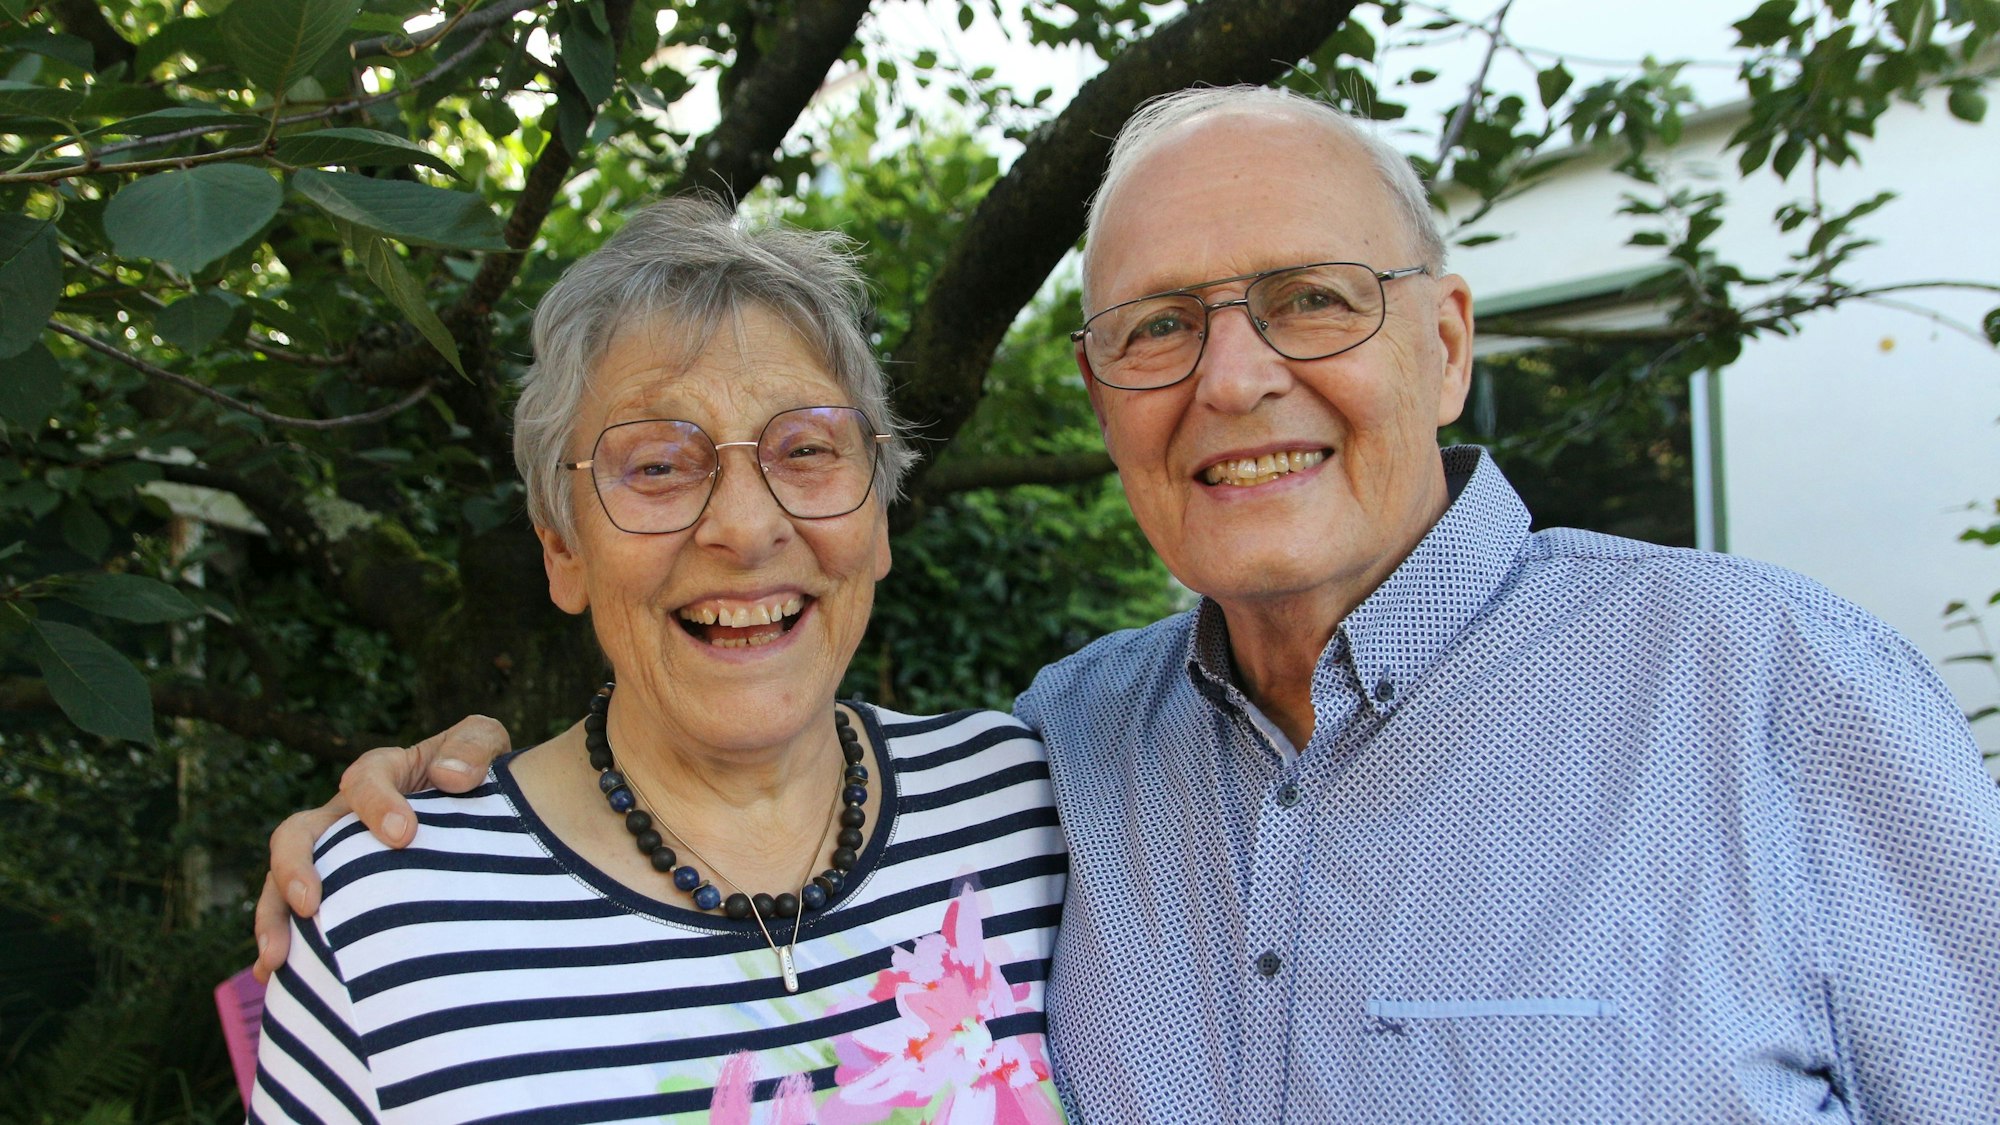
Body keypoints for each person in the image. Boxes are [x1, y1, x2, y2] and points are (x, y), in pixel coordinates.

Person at [258, 87, 2000, 1121]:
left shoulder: (1775, 691)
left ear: (1448, 343)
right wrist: (437, 784)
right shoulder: (1063, 758)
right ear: (1099, 391)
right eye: (1162, 326)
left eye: (1311, 300)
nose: (1235, 381)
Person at [248, 196, 1069, 1123]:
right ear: (562, 546)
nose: (747, 526)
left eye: (805, 448)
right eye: (658, 466)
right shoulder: (384, 918)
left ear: (878, 511)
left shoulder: (1037, 805)